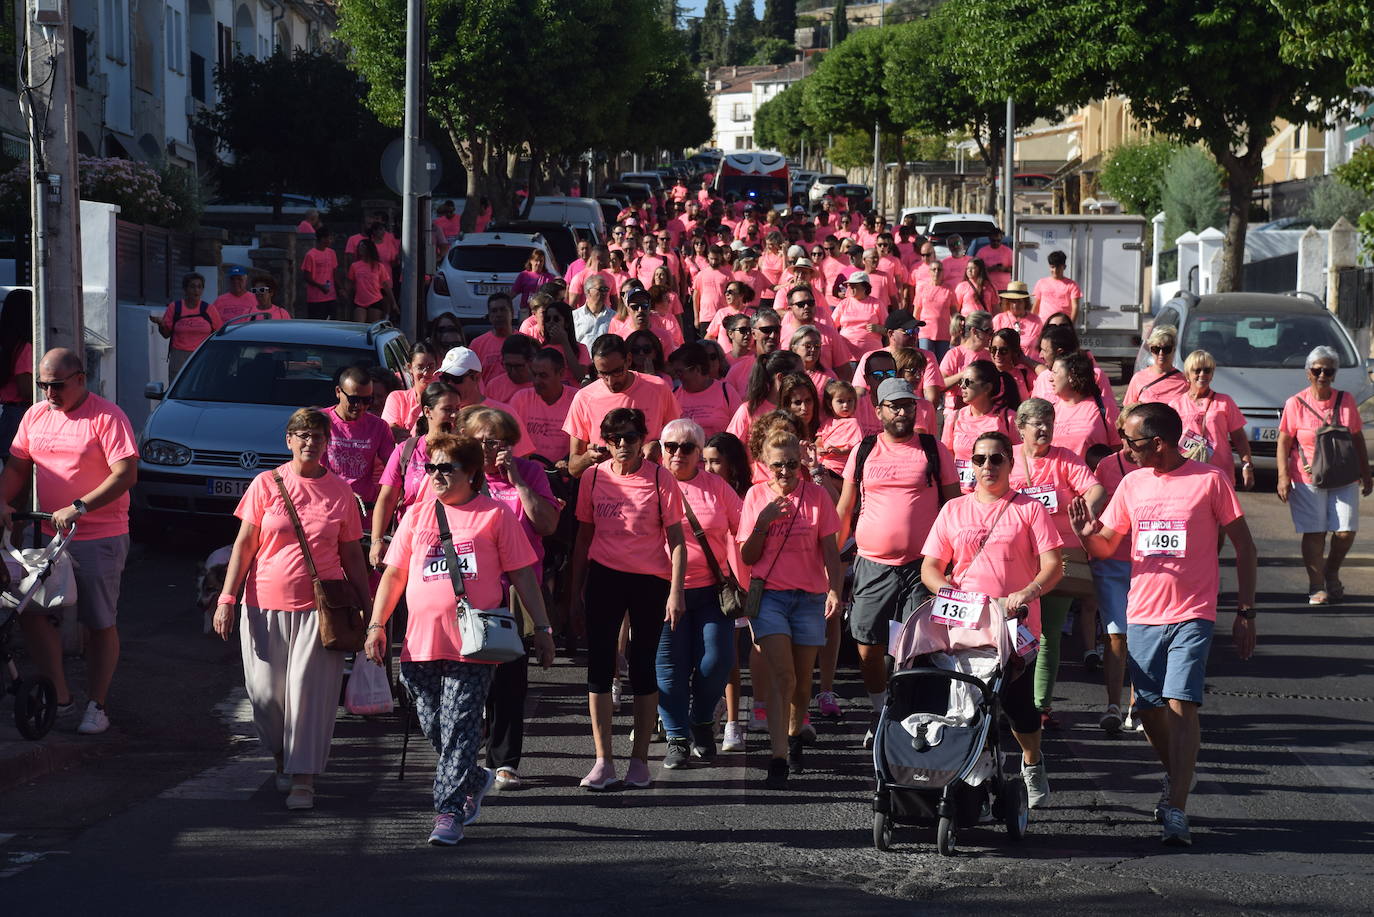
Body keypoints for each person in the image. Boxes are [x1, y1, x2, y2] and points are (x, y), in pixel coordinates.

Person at [1070, 403, 1258, 846]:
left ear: (1158, 443)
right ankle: (1179, 774)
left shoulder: (1209, 480)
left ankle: (1176, 806)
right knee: (1149, 706)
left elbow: (1245, 548)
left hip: (1193, 612)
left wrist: (1245, 612)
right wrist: (1084, 533)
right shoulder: (1132, 484)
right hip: (1142, 613)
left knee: (1181, 701)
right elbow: (1106, 545)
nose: (1125, 450)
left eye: (1132, 442)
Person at [364, 433, 555, 845]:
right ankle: (475, 775)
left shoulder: (495, 515)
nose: (435, 474)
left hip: (474, 645)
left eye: (445, 467)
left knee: (461, 726)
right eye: (430, 467)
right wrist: (377, 625)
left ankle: (448, 812)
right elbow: (394, 574)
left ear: (470, 472)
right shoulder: (415, 516)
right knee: (438, 726)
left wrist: (542, 628)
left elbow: (523, 574)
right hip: (420, 643)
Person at [212, 408, 370, 810]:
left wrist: (371, 610)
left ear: (326, 442)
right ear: (288, 440)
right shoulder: (266, 484)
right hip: (262, 604)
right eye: (301, 435)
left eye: (317, 435)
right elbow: (244, 545)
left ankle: (304, 778)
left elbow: (352, 554)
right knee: (264, 696)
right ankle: (283, 757)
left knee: (308, 695)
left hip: (322, 611)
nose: (309, 442)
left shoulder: (341, 492)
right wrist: (226, 599)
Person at [921, 431, 1064, 808]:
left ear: (1009, 464)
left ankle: (1032, 762)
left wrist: (1027, 593)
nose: (987, 466)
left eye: (996, 459)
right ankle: (971, 773)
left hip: (1014, 627)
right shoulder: (954, 510)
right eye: (980, 459)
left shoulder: (1028, 509)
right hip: (966, 624)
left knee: (1018, 708)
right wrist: (951, 593)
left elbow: (1053, 566)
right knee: (966, 705)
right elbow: (931, 569)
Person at [0, 348, 137, 736]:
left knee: (99, 622)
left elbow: (125, 474)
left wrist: (80, 506)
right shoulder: (35, 415)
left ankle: (98, 704)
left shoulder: (107, 416)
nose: (48, 393)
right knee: (30, 611)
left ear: (80, 379)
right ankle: (61, 697)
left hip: (100, 536)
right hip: (48, 536)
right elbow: (16, 467)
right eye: (43, 385)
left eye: (56, 385)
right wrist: (2, 501)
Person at [835, 378, 959, 746]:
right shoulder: (864, 450)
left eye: (908, 405)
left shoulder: (934, 450)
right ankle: (881, 709)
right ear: (879, 411)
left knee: (916, 648)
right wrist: (828, 559)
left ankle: (907, 720)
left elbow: (954, 510)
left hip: (922, 566)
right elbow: (845, 507)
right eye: (894, 406)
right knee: (867, 648)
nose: (902, 411)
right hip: (872, 564)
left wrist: (954, 563)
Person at [570, 408, 687, 789]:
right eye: (615, 438)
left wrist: (675, 591)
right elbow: (583, 539)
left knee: (642, 668)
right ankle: (603, 760)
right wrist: (574, 594)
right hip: (604, 577)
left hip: (649, 581)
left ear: (643, 440)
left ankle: (639, 761)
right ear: (604, 441)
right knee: (600, 667)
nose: (623, 445)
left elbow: (677, 541)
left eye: (631, 438)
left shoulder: (660, 478)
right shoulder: (591, 478)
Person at [459, 406, 560, 791]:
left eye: (496, 442)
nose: (487, 449)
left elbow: (547, 525)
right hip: (470, 587)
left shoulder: (531, 472)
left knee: (510, 678)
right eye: (480, 441)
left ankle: (504, 760)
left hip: (517, 589)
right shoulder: (461, 476)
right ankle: (469, 748)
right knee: (469, 674)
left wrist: (516, 480)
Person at [738, 430, 844, 788]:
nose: (785, 472)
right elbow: (747, 556)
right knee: (783, 677)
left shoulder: (816, 497)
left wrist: (834, 590)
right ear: (765, 466)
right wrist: (762, 523)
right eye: (778, 465)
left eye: (792, 464)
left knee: (801, 682)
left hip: (810, 598)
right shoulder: (755, 496)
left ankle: (796, 733)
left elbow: (830, 550)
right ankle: (778, 756)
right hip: (769, 597)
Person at [1010, 398, 1107, 727]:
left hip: (1059, 556)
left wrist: (1085, 509)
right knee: (1011, 633)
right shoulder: (1006, 457)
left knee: (1048, 634)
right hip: (1015, 558)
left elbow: (1095, 489)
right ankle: (1004, 701)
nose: (1043, 429)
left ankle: (1040, 706)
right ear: (1020, 428)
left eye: (1049, 423)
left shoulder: (1065, 459)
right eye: (1036, 423)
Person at [655, 418, 743, 767]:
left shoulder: (717, 488)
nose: (678, 453)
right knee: (669, 671)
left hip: (711, 590)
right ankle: (677, 737)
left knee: (717, 661)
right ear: (661, 450)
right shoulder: (649, 485)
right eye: (670, 447)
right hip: (662, 591)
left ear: (698, 453)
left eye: (686, 447)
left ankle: (702, 719)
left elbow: (743, 530)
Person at [1276, 345, 1373, 605]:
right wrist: (1283, 476)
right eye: (1317, 370)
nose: (1322, 375)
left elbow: (1357, 438)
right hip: (1307, 478)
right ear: (1308, 373)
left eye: (1328, 370)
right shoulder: (1295, 403)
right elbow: (1284, 441)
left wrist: (1366, 472)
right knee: (1316, 532)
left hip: (1344, 476)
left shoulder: (1346, 400)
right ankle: (1317, 585)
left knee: (1345, 531)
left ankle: (1331, 570)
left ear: (1334, 374)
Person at [370, 382, 464, 568]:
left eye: (457, 409)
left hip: (455, 544)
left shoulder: (466, 452)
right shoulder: (407, 450)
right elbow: (387, 499)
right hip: (409, 544)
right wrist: (376, 540)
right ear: (428, 412)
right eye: (447, 409)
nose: (454, 415)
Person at [564, 335, 680, 477]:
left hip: (650, 484)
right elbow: (574, 468)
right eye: (603, 374)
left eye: (617, 372)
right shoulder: (583, 398)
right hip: (605, 488)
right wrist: (589, 458)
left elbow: (680, 439)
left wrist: (659, 446)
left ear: (629, 360)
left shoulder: (658, 388)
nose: (611, 381)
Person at [1168, 349, 1254, 491]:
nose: (1202, 374)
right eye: (1197, 370)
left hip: (1219, 471)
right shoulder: (1175, 405)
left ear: (1212, 374)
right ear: (1188, 374)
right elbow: (1168, 441)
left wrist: (1247, 466)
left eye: (1207, 370)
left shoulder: (1225, 402)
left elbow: (1239, 438)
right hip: (1186, 473)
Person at [941, 359, 1021, 491]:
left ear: (987, 388)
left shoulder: (1009, 418)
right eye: (961, 381)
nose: (962, 386)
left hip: (995, 495)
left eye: (968, 382)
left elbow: (1019, 459)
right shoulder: (954, 417)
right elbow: (947, 461)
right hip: (961, 496)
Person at [322, 366, 395, 509]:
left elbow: (393, 469)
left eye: (367, 400)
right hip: (324, 507)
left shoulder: (379, 426)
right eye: (353, 399)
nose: (359, 406)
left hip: (363, 509)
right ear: (338, 392)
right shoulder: (320, 421)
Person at [510, 347, 578, 463]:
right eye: (534, 374)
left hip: (566, 476)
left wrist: (568, 461)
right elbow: (510, 438)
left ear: (561, 373)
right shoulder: (520, 399)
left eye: (543, 376)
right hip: (529, 473)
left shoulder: (577, 399)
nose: (536, 381)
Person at [1049, 352, 1120, 457]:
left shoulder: (1105, 406)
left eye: (1055, 372)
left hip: (1094, 473)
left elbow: (1118, 447)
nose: (1050, 379)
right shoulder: (1051, 409)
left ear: (1071, 376)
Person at [151, 272, 222, 378]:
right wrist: (161, 324)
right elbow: (166, 335)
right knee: (177, 389)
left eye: (199, 287)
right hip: (179, 356)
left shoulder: (209, 309)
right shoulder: (175, 307)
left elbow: (219, 334)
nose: (196, 290)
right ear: (185, 289)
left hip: (201, 355)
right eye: (192, 287)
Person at [671, 342, 739, 439]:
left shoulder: (726, 391)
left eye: (680, 372)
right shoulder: (674, 395)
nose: (677, 376)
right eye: (675, 372)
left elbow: (741, 428)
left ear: (697, 369)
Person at [382, 341, 440, 442]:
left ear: (437, 367)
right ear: (410, 368)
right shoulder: (397, 398)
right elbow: (388, 430)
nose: (425, 373)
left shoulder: (444, 400)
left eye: (430, 367)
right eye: (420, 367)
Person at [0, 289, 33, 459]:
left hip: (9, 413)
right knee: (18, 477)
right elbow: (25, 389)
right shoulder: (25, 347)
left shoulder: (8, 344)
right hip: (20, 415)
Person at [939, 310, 994, 411]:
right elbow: (940, 385)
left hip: (982, 411)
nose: (991, 336)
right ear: (974, 331)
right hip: (956, 410)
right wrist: (965, 374)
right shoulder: (955, 354)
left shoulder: (990, 355)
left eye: (992, 332)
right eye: (988, 331)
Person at [1125, 325, 1188, 405]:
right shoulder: (1138, 379)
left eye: (1166, 349)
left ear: (1174, 350)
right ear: (1151, 350)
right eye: (1156, 349)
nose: (1161, 353)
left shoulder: (1184, 381)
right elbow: (1127, 412)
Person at [833, 271, 888, 360]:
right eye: (849, 285)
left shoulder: (877, 304)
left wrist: (880, 329)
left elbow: (890, 330)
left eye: (854, 285)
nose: (850, 287)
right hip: (847, 355)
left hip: (872, 355)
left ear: (865, 287)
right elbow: (831, 326)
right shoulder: (843, 304)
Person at [913, 260, 957, 362]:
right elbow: (916, 313)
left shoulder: (949, 289)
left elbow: (954, 313)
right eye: (934, 269)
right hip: (925, 332)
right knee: (926, 361)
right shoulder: (922, 288)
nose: (936, 272)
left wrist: (955, 333)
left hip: (944, 333)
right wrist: (913, 331)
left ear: (943, 272)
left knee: (941, 363)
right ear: (929, 272)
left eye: (939, 269)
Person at [469, 294, 517, 384]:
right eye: (494, 311)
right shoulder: (477, 345)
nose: (499, 314)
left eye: (503, 310)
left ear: (512, 312)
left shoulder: (526, 342)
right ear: (489, 316)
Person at [347, 238, 396, 323]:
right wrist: (347, 296)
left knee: (372, 327)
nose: (360, 249)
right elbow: (350, 284)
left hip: (375, 300)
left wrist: (393, 303)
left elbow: (385, 286)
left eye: (363, 246)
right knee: (359, 326)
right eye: (359, 247)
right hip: (359, 301)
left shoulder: (379, 266)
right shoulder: (354, 266)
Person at [992, 281, 1043, 357]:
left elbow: (1041, 346)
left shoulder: (1036, 321)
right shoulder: (998, 319)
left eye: (1019, 301)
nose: (1015, 305)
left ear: (1025, 302)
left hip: (1029, 365)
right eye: (1012, 301)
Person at [484, 333, 538, 404]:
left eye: (518, 366)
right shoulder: (493, 386)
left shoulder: (543, 385)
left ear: (531, 362)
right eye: (508, 366)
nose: (513, 372)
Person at [300, 227, 340, 320]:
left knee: (332, 325)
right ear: (322, 239)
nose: (331, 240)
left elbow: (334, 273)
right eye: (329, 238)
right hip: (316, 299)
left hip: (331, 296)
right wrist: (320, 286)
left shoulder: (332, 253)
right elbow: (307, 277)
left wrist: (340, 289)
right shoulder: (311, 254)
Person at [1032, 250, 1082, 321]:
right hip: (1044, 325)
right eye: (1052, 267)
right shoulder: (1041, 283)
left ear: (1064, 267)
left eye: (1058, 267)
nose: (1055, 270)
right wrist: (1032, 322)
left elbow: (1075, 307)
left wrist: (1071, 326)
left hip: (1063, 325)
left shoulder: (1072, 285)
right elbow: (1036, 305)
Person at [573, 275, 617, 348]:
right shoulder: (575, 316)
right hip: (582, 358)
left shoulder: (614, 317)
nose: (605, 293)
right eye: (601, 289)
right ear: (588, 292)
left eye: (606, 289)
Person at [511, 249, 557, 313]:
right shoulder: (524, 275)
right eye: (536, 260)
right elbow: (513, 293)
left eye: (541, 261)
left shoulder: (549, 277)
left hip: (542, 311)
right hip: (526, 310)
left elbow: (554, 296)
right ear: (531, 261)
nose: (538, 263)